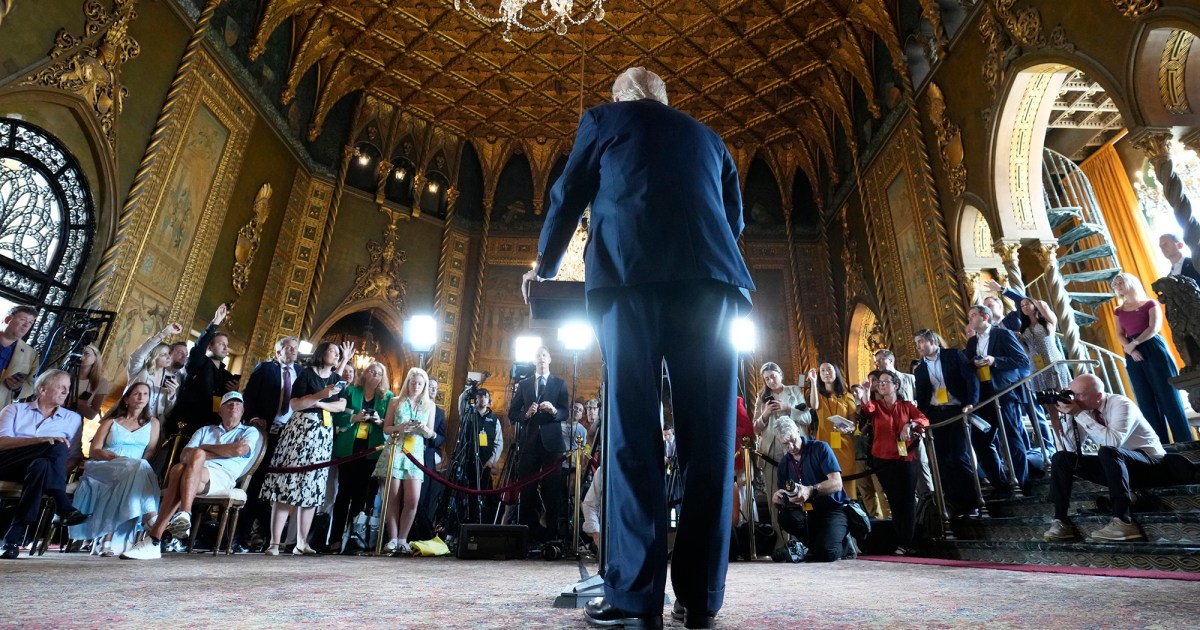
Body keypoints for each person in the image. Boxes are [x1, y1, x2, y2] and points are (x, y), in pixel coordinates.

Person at [523, 67, 754, 629]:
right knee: (711, 440)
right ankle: (701, 598)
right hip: (712, 285)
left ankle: (635, 598)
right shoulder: (710, 138)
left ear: (622, 97)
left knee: (632, 432)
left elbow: (567, 193)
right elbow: (735, 220)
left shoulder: (604, 119)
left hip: (630, 281)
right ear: (665, 100)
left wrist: (545, 267)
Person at [119, 391, 261, 560]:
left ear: (243, 410)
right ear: (220, 411)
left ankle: (165, 529)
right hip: (195, 476)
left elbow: (239, 450)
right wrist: (214, 453)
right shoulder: (204, 430)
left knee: (189, 462)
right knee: (180, 468)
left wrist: (203, 451)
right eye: (229, 404)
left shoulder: (249, 431)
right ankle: (168, 529)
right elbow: (185, 456)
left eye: (238, 404)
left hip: (223, 476)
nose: (233, 406)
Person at [1043, 374, 1167, 542]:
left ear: (1099, 396)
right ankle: (1060, 521)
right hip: (1118, 468)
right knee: (1061, 458)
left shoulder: (1121, 404)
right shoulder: (1084, 411)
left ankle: (1123, 520)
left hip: (1150, 464)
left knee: (1107, 452)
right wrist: (1070, 417)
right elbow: (1070, 448)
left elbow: (1113, 442)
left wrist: (1079, 414)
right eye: (1073, 394)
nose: (1075, 400)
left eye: (1081, 395)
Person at [259, 341, 347, 556]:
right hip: (300, 430)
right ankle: (274, 543)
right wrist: (319, 395)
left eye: (339, 353)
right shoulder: (307, 374)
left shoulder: (337, 379)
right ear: (322, 353)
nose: (337, 355)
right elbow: (296, 404)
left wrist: (319, 403)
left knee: (312, 486)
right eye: (333, 351)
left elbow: (341, 406)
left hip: (323, 434)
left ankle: (302, 543)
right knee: (286, 484)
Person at [0, 369, 87, 559]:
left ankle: (13, 539)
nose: (66, 391)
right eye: (61, 387)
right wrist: (41, 441)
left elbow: (74, 456)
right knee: (56, 444)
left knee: (42, 466)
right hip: (8, 465)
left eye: (68, 387)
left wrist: (52, 475)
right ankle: (62, 504)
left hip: (37, 472)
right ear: (42, 389)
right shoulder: (14, 409)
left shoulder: (73, 419)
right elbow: (2, 443)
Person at [68, 382, 161, 556]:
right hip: (105, 465)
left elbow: (150, 451)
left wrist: (133, 465)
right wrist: (116, 458)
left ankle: (107, 540)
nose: (141, 397)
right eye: (136, 394)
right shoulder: (111, 422)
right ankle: (151, 517)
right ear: (126, 398)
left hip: (135, 469)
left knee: (137, 469)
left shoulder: (153, 423)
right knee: (137, 468)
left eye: (145, 394)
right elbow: (94, 450)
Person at [235, 335, 301, 552]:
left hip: (288, 437)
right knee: (256, 484)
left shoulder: (300, 374)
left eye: (295, 349)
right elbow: (249, 396)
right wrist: (254, 418)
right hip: (264, 433)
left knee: (276, 488)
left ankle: (267, 537)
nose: (292, 351)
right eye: (288, 348)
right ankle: (238, 536)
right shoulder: (265, 369)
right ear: (278, 351)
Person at [1112, 273, 1192, 444]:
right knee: (1145, 400)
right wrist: (1130, 349)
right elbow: (1119, 333)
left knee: (1168, 397)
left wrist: (1135, 343)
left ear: (1130, 283)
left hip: (1153, 348)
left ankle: (1186, 445)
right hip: (1132, 353)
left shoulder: (1150, 303)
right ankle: (1159, 448)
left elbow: (1154, 327)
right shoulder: (1118, 311)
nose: (1117, 285)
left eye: (1120, 282)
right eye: (1115, 284)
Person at [912, 329, 983, 513]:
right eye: (916, 343)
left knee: (959, 457)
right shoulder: (920, 369)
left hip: (956, 411)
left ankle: (972, 502)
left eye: (920, 341)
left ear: (932, 341)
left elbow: (970, 378)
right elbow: (921, 397)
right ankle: (954, 504)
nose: (918, 346)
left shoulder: (953, 355)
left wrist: (971, 403)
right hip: (935, 415)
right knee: (942, 461)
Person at [858, 370, 929, 552]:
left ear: (896, 385)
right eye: (879, 383)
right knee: (895, 500)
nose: (881, 385)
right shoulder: (877, 405)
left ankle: (908, 541)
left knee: (907, 500)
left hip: (906, 458)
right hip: (883, 459)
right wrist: (866, 392)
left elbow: (924, 420)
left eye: (885, 382)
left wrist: (910, 424)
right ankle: (902, 541)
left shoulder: (906, 405)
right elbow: (867, 409)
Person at [965, 303, 1033, 492]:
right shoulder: (972, 342)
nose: (970, 319)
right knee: (981, 441)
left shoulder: (1002, 335)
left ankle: (1022, 482)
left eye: (973, 315)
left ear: (985, 317)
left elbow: (1022, 360)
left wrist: (995, 361)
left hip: (1004, 393)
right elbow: (968, 366)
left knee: (1012, 437)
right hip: (983, 396)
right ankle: (1000, 484)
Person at [506, 346, 569, 543]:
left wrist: (553, 411)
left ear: (549, 359)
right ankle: (527, 537)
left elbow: (565, 412)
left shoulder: (560, 383)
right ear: (534, 361)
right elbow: (512, 413)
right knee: (528, 490)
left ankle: (551, 537)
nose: (541, 358)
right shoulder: (524, 385)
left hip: (552, 444)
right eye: (538, 355)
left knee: (552, 491)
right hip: (529, 443)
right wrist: (525, 415)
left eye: (544, 355)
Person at [330, 360, 391, 552]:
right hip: (350, 447)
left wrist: (379, 421)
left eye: (379, 373)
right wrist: (353, 418)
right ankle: (336, 539)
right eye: (371, 371)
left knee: (362, 496)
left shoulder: (387, 397)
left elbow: (390, 422)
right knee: (343, 494)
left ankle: (354, 537)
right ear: (364, 374)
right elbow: (337, 415)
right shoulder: (350, 391)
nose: (374, 375)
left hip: (372, 450)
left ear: (382, 378)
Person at [373, 367, 436, 555]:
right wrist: (400, 427)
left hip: (415, 454)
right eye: (412, 382)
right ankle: (392, 539)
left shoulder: (429, 405)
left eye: (419, 383)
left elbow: (432, 433)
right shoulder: (395, 402)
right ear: (407, 383)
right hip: (396, 450)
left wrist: (424, 429)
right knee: (392, 498)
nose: (415, 386)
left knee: (412, 499)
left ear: (424, 386)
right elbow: (386, 428)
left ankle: (403, 539)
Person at [772, 419, 851, 562]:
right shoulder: (784, 463)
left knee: (828, 553)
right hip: (806, 511)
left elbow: (837, 483)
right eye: (785, 444)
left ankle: (843, 544)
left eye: (793, 440)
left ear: (798, 430)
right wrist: (779, 499)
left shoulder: (820, 448)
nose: (791, 447)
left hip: (832, 509)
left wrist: (810, 490)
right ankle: (814, 546)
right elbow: (786, 492)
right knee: (785, 517)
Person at [752, 361, 811, 554]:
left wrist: (788, 409)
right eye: (766, 378)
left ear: (781, 374)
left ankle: (802, 540)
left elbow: (808, 418)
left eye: (773, 376)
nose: (770, 381)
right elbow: (755, 428)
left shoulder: (794, 391)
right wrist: (766, 413)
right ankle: (780, 543)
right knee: (774, 496)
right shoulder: (762, 398)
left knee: (796, 492)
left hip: (794, 448)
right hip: (771, 451)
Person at [167, 304, 239, 437]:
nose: (226, 348)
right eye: (221, 344)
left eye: (227, 345)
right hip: (185, 424)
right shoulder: (198, 362)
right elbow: (199, 346)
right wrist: (215, 322)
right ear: (209, 347)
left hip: (209, 428)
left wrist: (233, 392)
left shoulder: (226, 375)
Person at [808, 363, 857, 500]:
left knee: (847, 485)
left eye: (829, 369)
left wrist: (848, 428)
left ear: (836, 372)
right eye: (822, 370)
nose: (826, 372)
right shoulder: (818, 395)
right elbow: (814, 405)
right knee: (828, 483)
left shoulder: (847, 396)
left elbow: (853, 425)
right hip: (824, 446)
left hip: (844, 445)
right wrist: (812, 381)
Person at [455, 386, 503, 524]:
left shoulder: (494, 420)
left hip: (485, 463)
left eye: (485, 396)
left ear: (489, 400)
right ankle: (468, 519)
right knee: (468, 491)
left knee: (485, 493)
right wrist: (471, 388)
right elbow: (461, 400)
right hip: (468, 461)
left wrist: (492, 460)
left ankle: (483, 522)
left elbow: (499, 442)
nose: (482, 399)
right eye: (479, 396)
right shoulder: (468, 415)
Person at [411, 378, 447, 542]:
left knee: (424, 496)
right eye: (430, 387)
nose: (433, 390)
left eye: (435, 388)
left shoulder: (439, 413)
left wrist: (432, 436)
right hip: (409, 454)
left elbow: (441, 438)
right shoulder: (413, 406)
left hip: (427, 458)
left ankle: (421, 533)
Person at [126, 322, 184, 420]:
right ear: (153, 358)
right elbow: (138, 355)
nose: (169, 357)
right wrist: (165, 333)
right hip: (130, 419)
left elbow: (168, 412)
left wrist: (171, 395)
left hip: (154, 426)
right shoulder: (139, 371)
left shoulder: (173, 378)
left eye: (169, 353)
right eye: (163, 354)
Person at [0, 305, 39, 409]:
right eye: (23, 319)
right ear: (7, 319)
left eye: (30, 322)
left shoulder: (31, 355)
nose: (26, 325)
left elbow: (31, 385)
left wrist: (19, 388)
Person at [70, 344, 109, 420]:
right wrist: (79, 403)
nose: (81, 356)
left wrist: (75, 402)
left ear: (95, 358)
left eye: (86, 353)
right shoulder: (65, 375)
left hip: (75, 420)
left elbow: (92, 415)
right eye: (80, 353)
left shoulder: (101, 383)